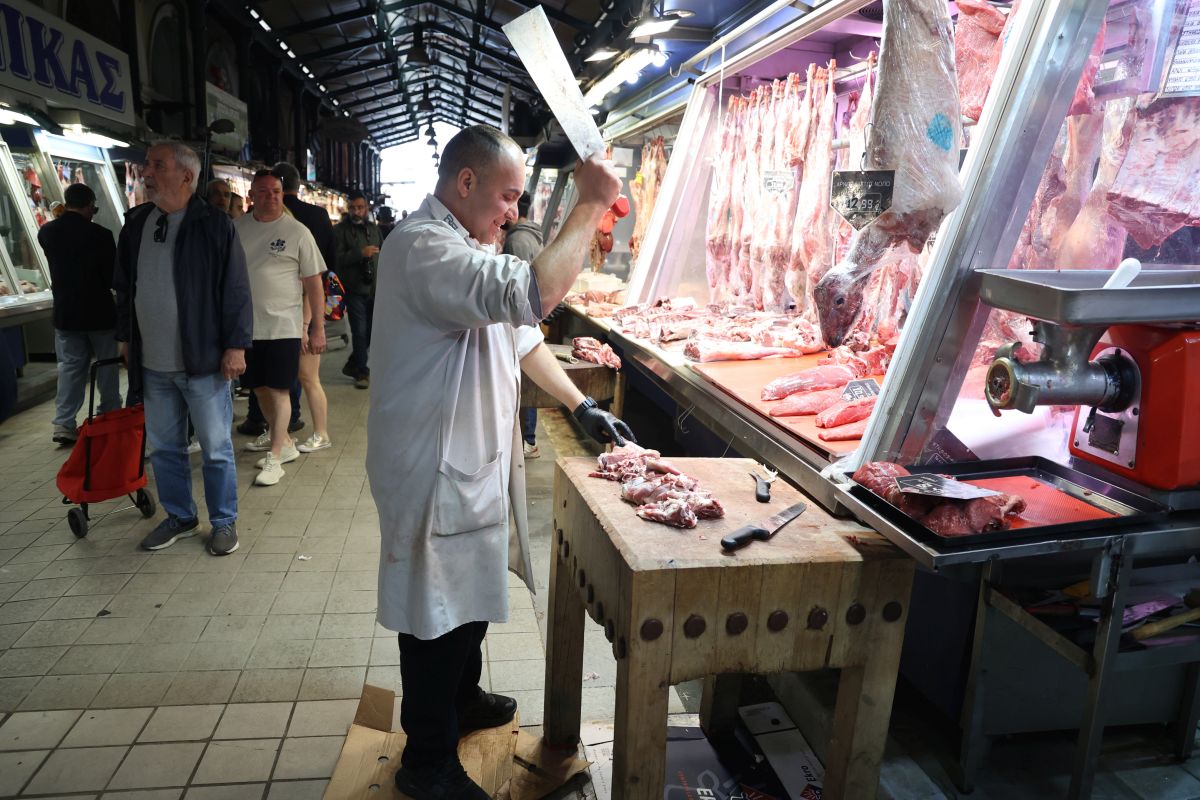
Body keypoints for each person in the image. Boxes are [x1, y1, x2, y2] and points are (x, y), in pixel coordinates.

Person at [368, 124, 632, 799]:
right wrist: (590, 202)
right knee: (435, 609)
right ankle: (426, 758)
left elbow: (523, 339)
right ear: (466, 182)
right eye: (508, 197)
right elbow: (533, 295)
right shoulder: (423, 248)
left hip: (471, 461)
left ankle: (462, 699)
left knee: (468, 596)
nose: (512, 213)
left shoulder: (469, 246)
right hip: (432, 467)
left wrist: (579, 404)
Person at [114, 141, 252, 556]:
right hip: (152, 363)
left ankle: (223, 521)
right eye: (147, 165)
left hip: (203, 361)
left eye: (158, 166)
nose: (147, 173)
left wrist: (236, 346)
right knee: (164, 448)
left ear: (187, 176)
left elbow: (236, 290)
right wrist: (126, 337)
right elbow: (124, 288)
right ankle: (181, 516)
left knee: (215, 448)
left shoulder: (214, 225)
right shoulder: (137, 223)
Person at [235, 171, 326, 486]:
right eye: (263, 191)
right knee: (259, 388)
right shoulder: (237, 229)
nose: (270, 196)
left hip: (284, 326)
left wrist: (316, 327)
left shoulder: (297, 231)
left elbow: (314, 284)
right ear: (252, 195)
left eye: (275, 191)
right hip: (247, 326)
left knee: (279, 390)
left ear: (282, 193)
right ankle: (284, 441)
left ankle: (275, 456)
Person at [37, 183, 120, 445]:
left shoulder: (47, 232)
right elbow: (112, 276)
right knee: (107, 366)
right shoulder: (101, 235)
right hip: (100, 313)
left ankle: (64, 423)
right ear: (89, 205)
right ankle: (109, 413)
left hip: (66, 313)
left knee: (70, 368)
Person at [502, 192, 545, 459]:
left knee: (526, 378)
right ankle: (528, 437)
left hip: (526, 317)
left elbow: (518, 292)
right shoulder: (531, 235)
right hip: (532, 316)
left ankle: (528, 439)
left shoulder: (516, 240)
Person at [335, 191, 382, 389]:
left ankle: (354, 362)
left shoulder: (373, 229)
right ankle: (362, 372)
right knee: (359, 332)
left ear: (366, 208)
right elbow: (337, 260)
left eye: (360, 207)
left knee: (371, 333)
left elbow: (383, 254)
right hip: (353, 289)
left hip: (374, 290)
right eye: (353, 208)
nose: (356, 211)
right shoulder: (340, 231)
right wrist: (360, 253)